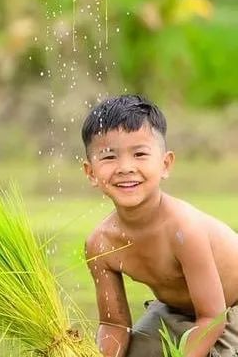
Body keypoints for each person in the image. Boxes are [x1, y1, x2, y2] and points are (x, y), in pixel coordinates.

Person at [82, 95, 238, 357]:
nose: (125, 168)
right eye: (109, 157)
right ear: (90, 173)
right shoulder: (101, 244)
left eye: (140, 154)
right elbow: (113, 324)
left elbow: (213, 317)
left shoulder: (183, 229)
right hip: (174, 311)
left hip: (226, 311)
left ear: (165, 164)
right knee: (138, 349)